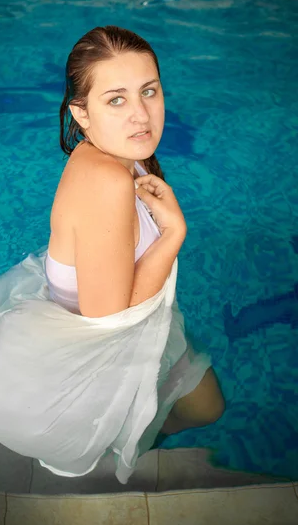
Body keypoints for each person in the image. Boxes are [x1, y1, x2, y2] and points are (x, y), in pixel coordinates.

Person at [45, 25, 225, 438]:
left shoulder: (119, 151)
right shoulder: (107, 182)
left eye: (149, 91)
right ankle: (143, 444)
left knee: (206, 405)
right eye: (116, 100)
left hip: (137, 316)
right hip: (103, 351)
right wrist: (173, 233)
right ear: (81, 113)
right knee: (205, 409)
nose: (141, 115)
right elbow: (110, 323)